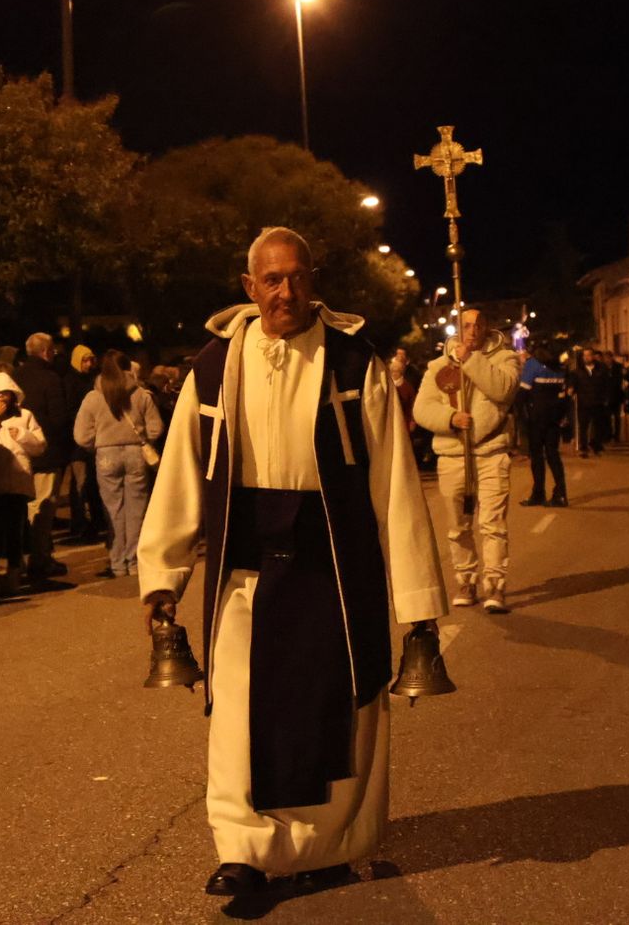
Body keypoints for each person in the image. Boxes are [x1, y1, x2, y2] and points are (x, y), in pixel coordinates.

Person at [137, 226, 448, 897]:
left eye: (297, 277)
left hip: (333, 568)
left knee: (333, 709)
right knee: (240, 712)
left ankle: (329, 846)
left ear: (314, 281)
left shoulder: (352, 363)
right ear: (249, 288)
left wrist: (418, 606)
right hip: (246, 574)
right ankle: (244, 849)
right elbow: (182, 477)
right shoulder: (213, 368)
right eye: (271, 279)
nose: (286, 291)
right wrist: (161, 578)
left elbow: (393, 482)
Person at [414, 308, 519, 611]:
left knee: (492, 525)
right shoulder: (438, 366)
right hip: (452, 455)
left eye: (478, 325)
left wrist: (471, 360)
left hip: (490, 454)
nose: (472, 331)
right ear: (458, 329)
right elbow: (421, 409)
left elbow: (502, 390)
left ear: (487, 329)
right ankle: (466, 580)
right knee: (457, 527)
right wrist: (450, 418)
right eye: (467, 325)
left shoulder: (505, 359)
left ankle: (495, 586)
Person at [72, 350, 162, 579]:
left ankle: (117, 562)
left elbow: (81, 436)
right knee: (136, 509)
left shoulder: (93, 398)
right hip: (135, 452)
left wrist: (98, 443)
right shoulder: (141, 394)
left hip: (106, 454)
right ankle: (133, 561)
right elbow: (156, 428)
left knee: (113, 510)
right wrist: (144, 439)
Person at [0, 371, 46, 599]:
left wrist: (22, 435)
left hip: (19, 481)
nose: (3, 398)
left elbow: (40, 446)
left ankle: (13, 577)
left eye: (7, 394)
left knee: (15, 530)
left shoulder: (25, 416)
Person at [16, 333, 73, 581]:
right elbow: (59, 418)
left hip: (18, 453)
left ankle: (24, 558)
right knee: (44, 508)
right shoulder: (50, 379)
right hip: (46, 453)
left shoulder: (14, 377)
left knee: (25, 509)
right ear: (46, 351)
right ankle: (39, 559)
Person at [517, 342, 570, 508]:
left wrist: (521, 417)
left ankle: (538, 493)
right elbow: (563, 396)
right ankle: (560, 494)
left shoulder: (533, 364)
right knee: (553, 455)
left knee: (537, 457)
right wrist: (561, 416)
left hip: (536, 418)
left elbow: (522, 394)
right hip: (553, 418)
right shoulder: (559, 367)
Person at [62, 344, 104, 544]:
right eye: (84, 360)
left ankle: (94, 521)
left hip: (94, 441)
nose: (88, 364)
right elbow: (70, 411)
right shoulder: (70, 382)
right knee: (81, 484)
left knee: (92, 483)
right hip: (78, 442)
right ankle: (81, 522)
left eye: (91, 360)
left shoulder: (93, 380)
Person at [569, 348, 613, 456]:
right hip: (583, 402)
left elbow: (606, 384)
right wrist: (571, 388)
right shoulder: (578, 371)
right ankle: (583, 447)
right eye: (585, 355)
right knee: (583, 426)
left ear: (593, 356)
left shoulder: (601, 369)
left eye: (589, 355)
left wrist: (606, 398)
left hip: (598, 401)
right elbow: (573, 383)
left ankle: (596, 445)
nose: (587, 357)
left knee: (598, 425)